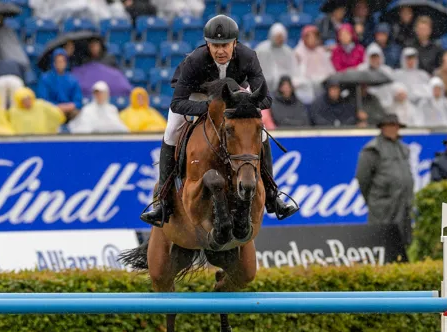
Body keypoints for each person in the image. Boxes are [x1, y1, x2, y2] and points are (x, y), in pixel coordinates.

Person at [139, 15, 297, 227]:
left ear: (235, 43)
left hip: (234, 95)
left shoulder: (248, 56)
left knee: (259, 132)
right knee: (171, 132)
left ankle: (272, 194)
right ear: (207, 44)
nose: (220, 51)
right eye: (215, 45)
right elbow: (177, 103)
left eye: (225, 45)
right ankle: (163, 201)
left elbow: (266, 99)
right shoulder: (195, 61)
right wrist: (209, 108)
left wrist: (243, 103)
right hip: (196, 95)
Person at [355, 112, 414, 254]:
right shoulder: (372, 149)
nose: (393, 129)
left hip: (403, 203)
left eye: (395, 126)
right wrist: (376, 200)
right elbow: (363, 179)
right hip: (383, 206)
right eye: (390, 125)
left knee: (403, 243)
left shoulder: (403, 148)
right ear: (382, 127)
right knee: (381, 243)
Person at [36, 48, 83, 120]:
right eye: (58, 61)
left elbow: (78, 100)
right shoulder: (45, 78)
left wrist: (70, 106)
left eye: (62, 61)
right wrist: (57, 106)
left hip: (69, 111)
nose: (60, 64)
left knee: (78, 113)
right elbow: (43, 100)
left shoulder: (72, 79)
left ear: (66, 62)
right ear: (53, 63)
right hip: (52, 110)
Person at [293, 25, 332, 105]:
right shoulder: (298, 52)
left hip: (322, 84)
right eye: (310, 37)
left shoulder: (321, 50)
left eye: (315, 37)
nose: (313, 40)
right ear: (304, 38)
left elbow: (330, 71)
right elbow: (297, 75)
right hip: (305, 86)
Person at [256, 23, 298, 93]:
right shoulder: (262, 49)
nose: (280, 39)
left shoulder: (288, 51)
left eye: (281, 37)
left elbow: (292, 70)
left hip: (284, 83)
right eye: (278, 37)